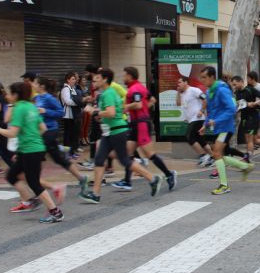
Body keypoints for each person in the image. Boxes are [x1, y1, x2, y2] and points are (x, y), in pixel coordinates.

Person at [78, 69, 162, 203]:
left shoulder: (108, 93)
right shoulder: (105, 93)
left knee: (124, 160)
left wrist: (95, 111)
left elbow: (111, 113)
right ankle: (95, 194)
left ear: (105, 79)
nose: (93, 81)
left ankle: (153, 179)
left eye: (97, 79)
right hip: (110, 132)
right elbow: (110, 113)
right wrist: (98, 115)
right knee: (100, 160)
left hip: (117, 131)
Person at [0, 82, 63, 223]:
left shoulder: (19, 109)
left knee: (34, 183)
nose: (8, 96)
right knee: (11, 175)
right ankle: (31, 201)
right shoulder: (31, 106)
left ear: (16, 95)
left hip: (30, 150)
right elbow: (42, 128)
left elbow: (12, 133)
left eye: (10, 93)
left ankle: (55, 212)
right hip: (30, 149)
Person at [111, 67, 177, 192]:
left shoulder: (135, 89)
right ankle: (127, 181)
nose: (123, 78)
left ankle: (169, 174)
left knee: (149, 154)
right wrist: (145, 109)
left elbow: (139, 104)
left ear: (130, 76)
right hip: (136, 124)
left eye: (124, 75)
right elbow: (152, 100)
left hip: (141, 124)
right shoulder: (139, 87)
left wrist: (126, 107)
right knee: (126, 153)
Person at [199, 66, 254, 195]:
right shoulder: (209, 92)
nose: (202, 80)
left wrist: (216, 121)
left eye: (204, 78)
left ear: (212, 77)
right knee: (218, 155)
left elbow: (232, 109)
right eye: (201, 78)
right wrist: (205, 124)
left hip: (226, 127)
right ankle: (245, 166)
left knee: (216, 153)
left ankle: (224, 185)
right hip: (218, 127)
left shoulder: (222, 90)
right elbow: (212, 112)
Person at [35, 77, 89, 201]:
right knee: (59, 159)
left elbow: (60, 112)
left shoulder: (49, 98)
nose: (34, 85)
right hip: (41, 132)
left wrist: (45, 111)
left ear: (42, 86)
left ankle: (37, 188)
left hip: (50, 131)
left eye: (36, 83)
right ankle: (81, 178)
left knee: (34, 160)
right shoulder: (37, 98)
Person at [176, 76, 214, 166]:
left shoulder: (194, 90)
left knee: (189, 137)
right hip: (191, 120)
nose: (178, 84)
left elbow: (205, 99)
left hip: (197, 118)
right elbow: (178, 103)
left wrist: (201, 110)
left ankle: (203, 156)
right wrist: (178, 92)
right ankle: (212, 157)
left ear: (186, 82)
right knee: (200, 140)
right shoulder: (183, 93)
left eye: (180, 82)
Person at [230, 75, 260, 162]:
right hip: (244, 118)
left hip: (253, 117)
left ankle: (248, 158)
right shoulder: (236, 93)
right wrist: (236, 110)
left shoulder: (250, 89)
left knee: (249, 139)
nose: (234, 86)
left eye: (235, 84)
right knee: (251, 139)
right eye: (233, 85)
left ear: (241, 82)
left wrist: (255, 103)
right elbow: (240, 106)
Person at [61, 72, 83, 160]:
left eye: (75, 79)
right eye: (73, 79)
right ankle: (67, 154)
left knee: (73, 135)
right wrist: (79, 102)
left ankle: (72, 152)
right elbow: (68, 101)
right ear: (68, 80)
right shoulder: (65, 89)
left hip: (73, 115)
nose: (75, 81)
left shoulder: (72, 88)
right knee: (67, 135)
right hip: (67, 115)